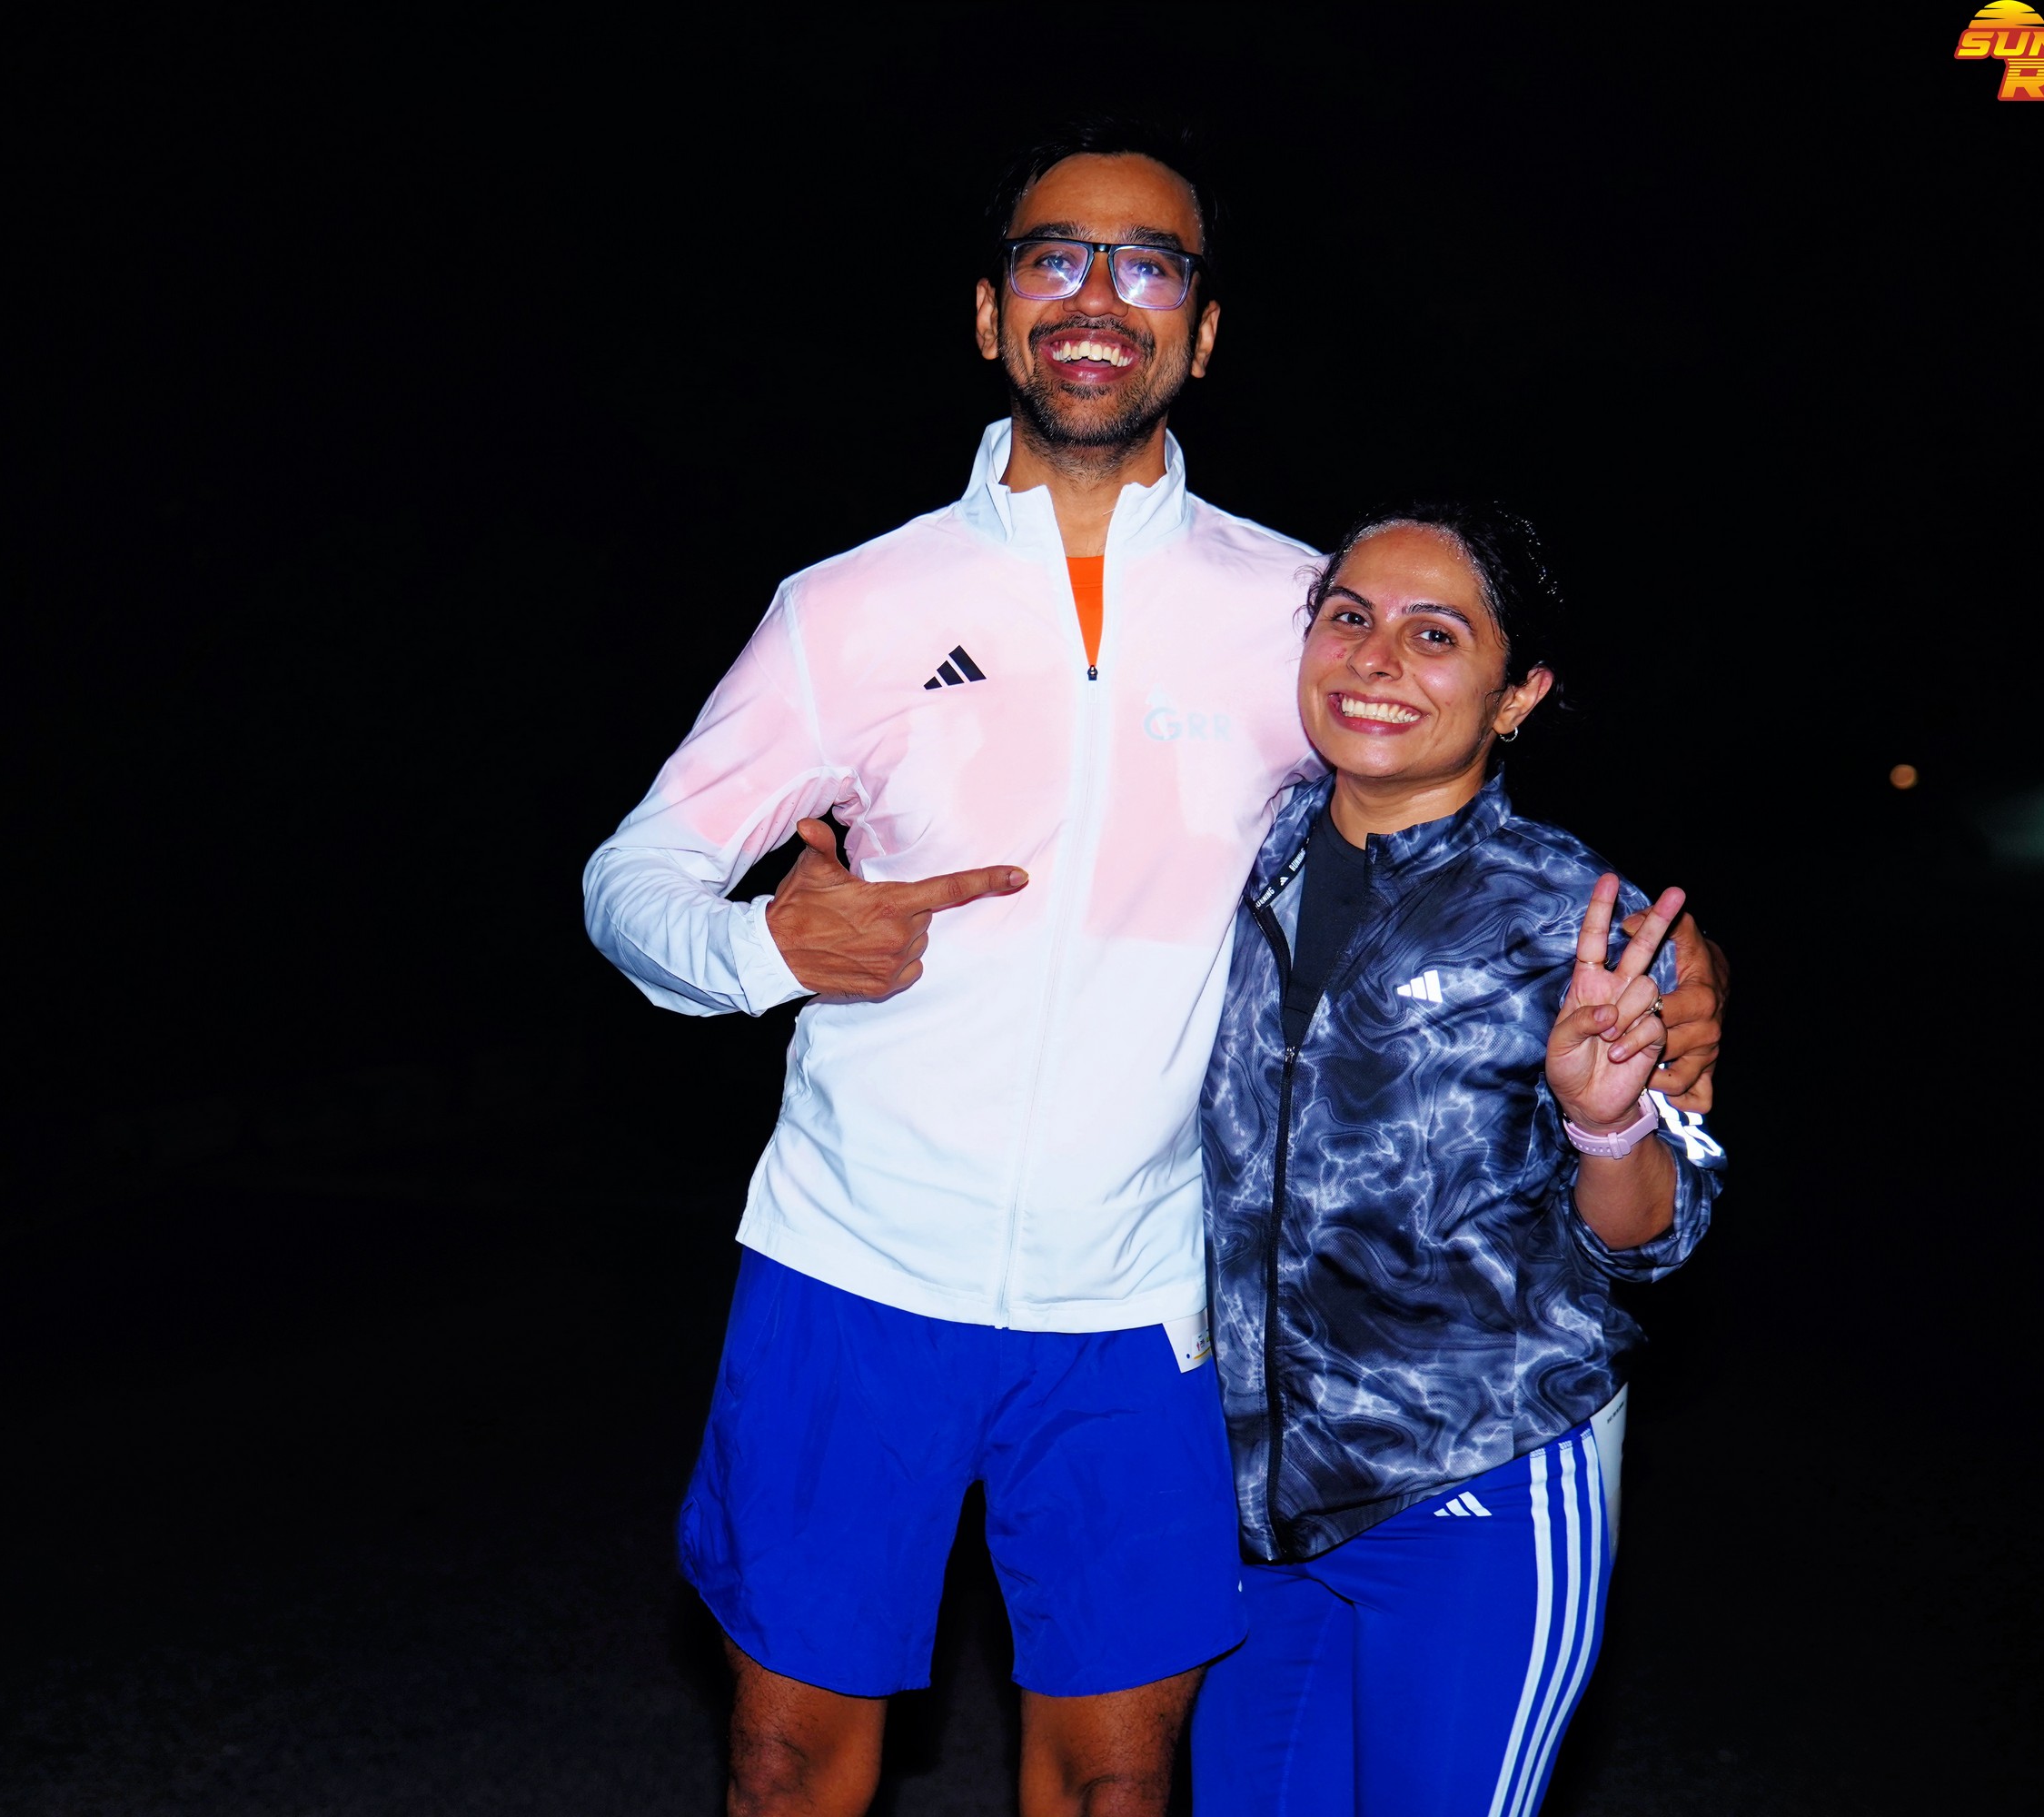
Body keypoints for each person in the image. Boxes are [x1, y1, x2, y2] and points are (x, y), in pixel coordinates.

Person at [583, 125, 1730, 1817]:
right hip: (849, 1265)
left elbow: (1442, 802)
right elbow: (632, 878)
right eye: (1055, 256)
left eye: (1149, 264)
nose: (1097, 295)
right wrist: (760, 946)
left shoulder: (1294, 609)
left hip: (1141, 1304)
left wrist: (1679, 965)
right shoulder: (849, 606)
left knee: (1121, 1787)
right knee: (782, 1767)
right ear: (992, 314)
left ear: (1201, 331)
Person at [1188, 504, 1726, 1816]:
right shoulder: (1220, 851)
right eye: (1349, 618)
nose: (1376, 660)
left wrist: (1606, 1123)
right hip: (1242, 1499)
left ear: (1517, 695)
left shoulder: (1575, 919)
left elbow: (1654, 1237)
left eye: (1436, 636)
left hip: (1478, 1486)